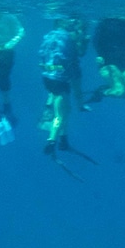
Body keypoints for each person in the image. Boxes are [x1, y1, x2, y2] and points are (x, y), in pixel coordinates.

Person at [37, 19, 79, 155]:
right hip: (60, 79)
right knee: (61, 114)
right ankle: (52, 141)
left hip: (47, 77)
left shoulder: (48, 36)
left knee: (65, 109)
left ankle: (63, 140)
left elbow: (41, 55)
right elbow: (73, 61)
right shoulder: (67, 38)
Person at [87, 17, 125, 104]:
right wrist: (100, 55)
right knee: (120, 92)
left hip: (123, 60)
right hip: (108, 61)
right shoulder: (106, 23)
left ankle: (110, 87)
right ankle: (101, 92)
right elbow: (96, 40)